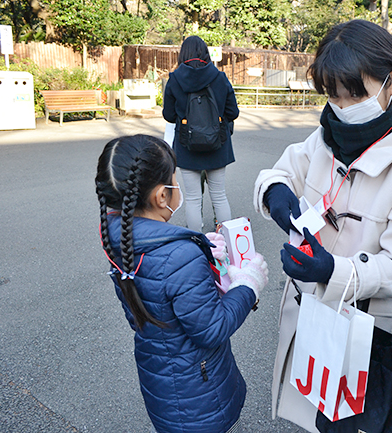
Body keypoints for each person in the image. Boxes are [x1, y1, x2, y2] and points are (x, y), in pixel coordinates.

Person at [253, 19, 392, 432]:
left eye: (355, 94)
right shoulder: (329, 133)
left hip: (370, 330)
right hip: (316, 312)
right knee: (320, 413)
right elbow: (283, 170)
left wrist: (332, 271)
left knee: (354, 421)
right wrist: (275, 192)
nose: (342, 107)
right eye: (332, 95)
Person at [95, 134, 269, 433]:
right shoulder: (179, 256)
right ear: (162, 196)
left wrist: (201, 249)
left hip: (162, 382)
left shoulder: (117, 239)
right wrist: (247, 285)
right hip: (200, 392)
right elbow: (211, 329)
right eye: (174, 179)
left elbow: (156, 296)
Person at [163, 35, 239, 230]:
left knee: (193, 199)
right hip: (218, 143)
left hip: (187, 145)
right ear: (205, 53)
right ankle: (224, 246)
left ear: (183, 54)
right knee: (219, 195)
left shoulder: (174, 79)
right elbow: (233, 112)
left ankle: (197, 245)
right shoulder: (220, 77)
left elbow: (169, 116)